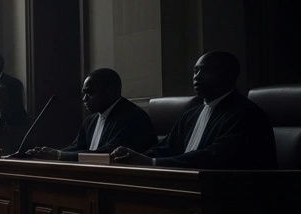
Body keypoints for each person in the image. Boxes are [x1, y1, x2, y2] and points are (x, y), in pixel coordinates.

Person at [111, 52, 276, 169]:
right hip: (188, 188)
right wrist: (131, 156)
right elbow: (166, 148)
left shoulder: (245, 114)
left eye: (206, 71)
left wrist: (152, 163)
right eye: (196, 71)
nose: (197, 76)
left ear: (229, 75)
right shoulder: (191, 114)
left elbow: (214, 157)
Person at [27, 68, 154, 161]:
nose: (84, 99)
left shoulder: (133, 117)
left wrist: (59, 155)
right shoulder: (90, 120)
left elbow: (108, 153)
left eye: (90, 93)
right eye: (83, 93)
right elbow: (77, 147)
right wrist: (47, 153)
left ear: (110, 92)